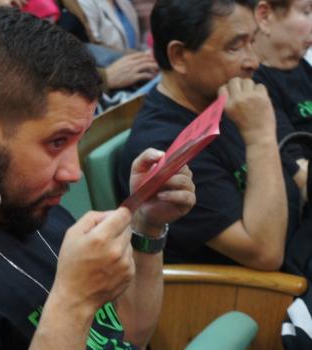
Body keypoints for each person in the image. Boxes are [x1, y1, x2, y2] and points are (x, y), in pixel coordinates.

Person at [0, 7, 196, 349]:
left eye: (78, 140)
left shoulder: (29, 200)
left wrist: (147, 226)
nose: (74, 172)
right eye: (57, 141)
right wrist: (74, 301)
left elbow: (126, 335)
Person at [119, 0, 302, 270]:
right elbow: (265, 254)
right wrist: (260, 136)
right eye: (235, 46)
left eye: (253, 41)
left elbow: (297, 178)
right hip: (259, 294)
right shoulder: (164, 147)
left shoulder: (227, 98)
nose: (253, 61)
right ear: (180, 56)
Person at [253, 0, 312, 189]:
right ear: (265, 16)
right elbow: (299, 171)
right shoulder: (253, 84)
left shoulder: (302, 67)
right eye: (306, 11)